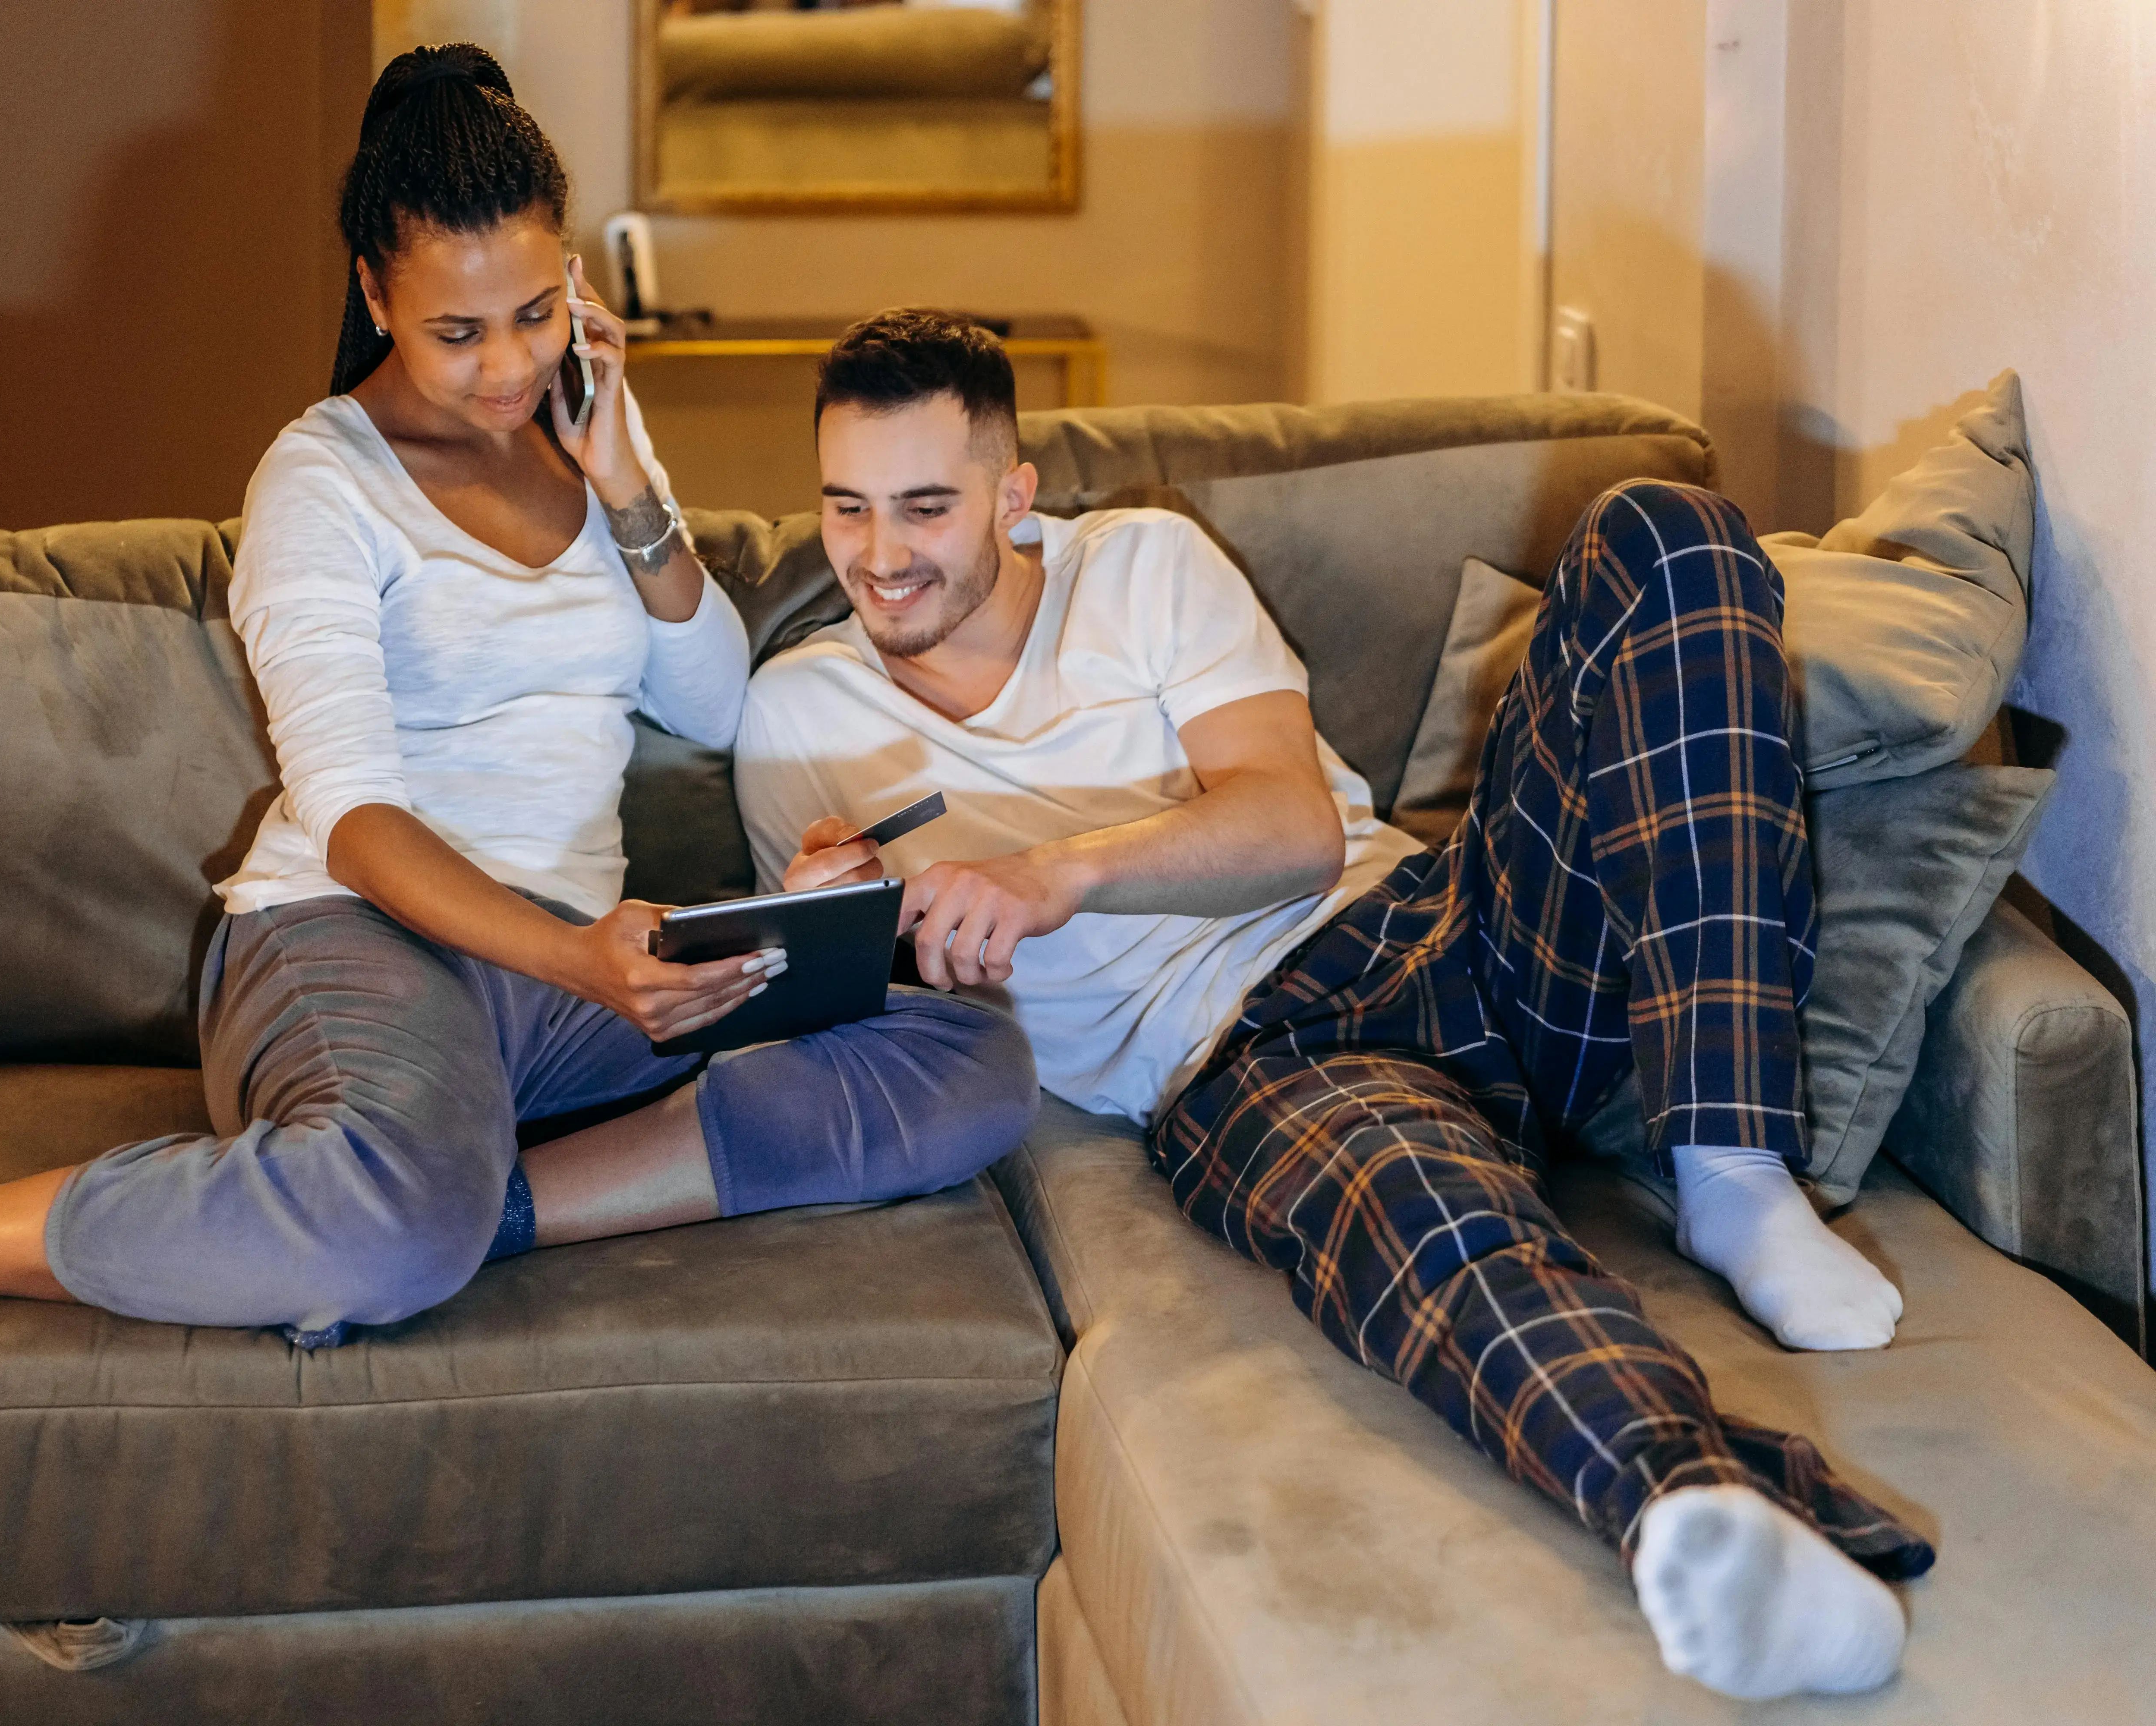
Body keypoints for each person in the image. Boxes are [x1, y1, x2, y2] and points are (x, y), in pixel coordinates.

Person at [0, 50, 1035, 1348]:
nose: (512, 365)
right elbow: (351, 823)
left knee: (969, 1062)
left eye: (536, 312)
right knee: (385, 1235)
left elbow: (716, 706)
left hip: (557, 988)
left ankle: (488, 1209)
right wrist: (585, 957)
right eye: (461, 333)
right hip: (353, 942)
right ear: (374, 293)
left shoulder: (586, 439)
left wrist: (631, 491)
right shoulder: (319, 484)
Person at [738, 309, 1932, 1702]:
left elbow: (1293, 830)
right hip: (1248, 1061)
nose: (880, 558)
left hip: (1440, 930)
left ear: (1013, 496)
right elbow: (843, 1025)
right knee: (1432, 1235)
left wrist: (1054, 873)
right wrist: (851, 931)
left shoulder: (1142, 565)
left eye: (926, 508)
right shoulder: (797, 721)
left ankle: (1731, 1161)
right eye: (847, 509)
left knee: (1665, 529)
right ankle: (1705, 1515)